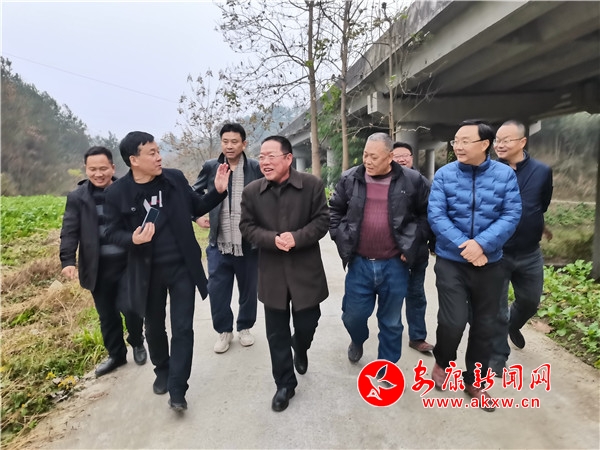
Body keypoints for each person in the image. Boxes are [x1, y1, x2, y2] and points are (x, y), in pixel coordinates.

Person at [104, 131, 230, 412]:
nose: (159, 157)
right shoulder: (116, 193)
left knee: (183, 327)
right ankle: (162, 368)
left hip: (182, 267)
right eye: (152, 153)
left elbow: (197, 206)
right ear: (134, 160)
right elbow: (111, 232)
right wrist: (133, 238)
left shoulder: (174, 179)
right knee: (154, 327)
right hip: (147, 271)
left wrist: (218, 191)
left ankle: (178, 388)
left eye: (158, 151)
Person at [427, 119, 521, 412]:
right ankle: (444, 360)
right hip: (451, 262)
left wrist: (481, 245)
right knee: (453, 321)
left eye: (465, 141)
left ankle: (475, 381)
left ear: (485, 145)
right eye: (456, 141)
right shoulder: (444, 175)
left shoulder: (505, 175)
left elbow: (511, 214)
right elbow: (437, 215)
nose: (458, 146)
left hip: (489, 263)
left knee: (485, 325)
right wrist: (466, 247)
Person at [239, 135, 329, 412]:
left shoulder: (311, 185)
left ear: (289, 158)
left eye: (271, 156)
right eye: (261, 157)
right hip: (272, 272)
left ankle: (300, 347)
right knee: (276, 334)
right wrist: (272, 239)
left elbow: (322, 221)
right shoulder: (252, 192)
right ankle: (284, 384)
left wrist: (297, 237)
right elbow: (247, 227)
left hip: (305, 269)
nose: (264, 162)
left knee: (307, 323)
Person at [329, 132, 430, 365]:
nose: (367, 161)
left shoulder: (412, 180)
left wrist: (411, 246)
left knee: (391, 321)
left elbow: (426, 215)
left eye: (374, 157)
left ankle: (387, 365)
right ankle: (357, 339)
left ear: (390, 157)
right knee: (352, 316)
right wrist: (341, 238)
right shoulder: (350, 178)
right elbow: (334, 210)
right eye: (365, 155)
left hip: (395, 264)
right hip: (359, 263)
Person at [60, 146, 147, 378]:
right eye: (93, 169)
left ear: (113, 167)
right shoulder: (77, 198)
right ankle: (116, 355)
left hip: (127, 263)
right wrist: (67, 261)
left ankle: (137, 341)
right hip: (97, 267)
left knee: (131, 308)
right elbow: (69, 231)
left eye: (103, 168)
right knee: (107, 315)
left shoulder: (128, 191)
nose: (98, 174)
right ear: (86, 169)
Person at [192, 123, 263, 353]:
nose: (229, 146)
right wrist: (196, 216)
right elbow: (193, 194)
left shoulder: (255, 167)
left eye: (234, 141)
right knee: (218, 291)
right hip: (219, 242)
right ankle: (224, 331)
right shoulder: (212, 166)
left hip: (247, 243)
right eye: (225, 141)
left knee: (248, 289)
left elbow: (268, 195)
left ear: (244, 144)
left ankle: (244, 327)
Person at [489, 120, 553, 374]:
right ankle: (497, 357)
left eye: (506, 140)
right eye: (497, 140)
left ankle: (513, 324)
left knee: (530, 301)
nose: (499, 145)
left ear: (522, 142)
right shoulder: (489, 171)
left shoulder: (542, 171)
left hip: (529, 252)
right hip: (498, 253)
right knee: (497, 308)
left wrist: (536, 225)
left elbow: (541, 204)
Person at [391, 142, 434, 353]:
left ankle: (417, 337)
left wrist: (413, 246)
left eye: (405, 155)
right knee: (390, 295)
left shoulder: (421, 182)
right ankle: (390, 333)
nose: (401, 159)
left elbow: (428, 217)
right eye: (396, 155)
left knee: (416, 293)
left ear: (412, 157)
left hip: (416, 250)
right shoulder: (384, 181)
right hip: (389, 251)